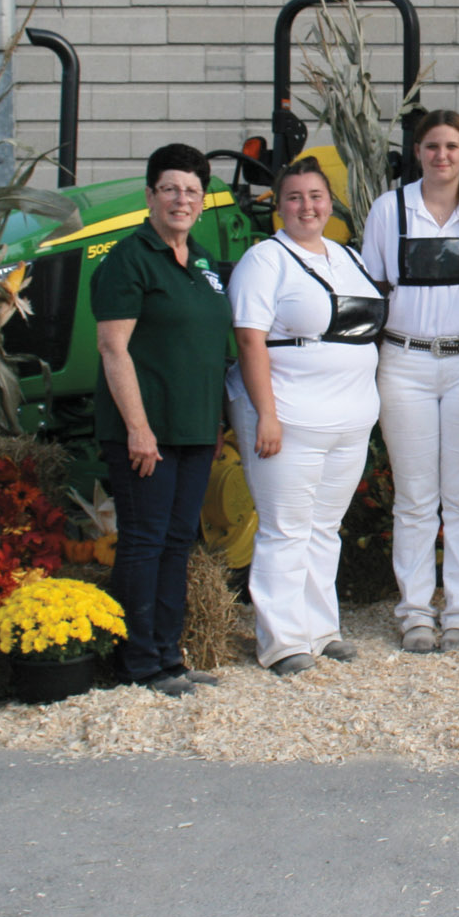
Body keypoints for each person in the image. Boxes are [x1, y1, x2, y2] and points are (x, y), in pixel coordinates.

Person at [228, 157, 384, 676]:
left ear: (329, 202)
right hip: (289, 418)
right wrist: (265, 414)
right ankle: (281, 641)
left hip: (350, 420)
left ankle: (322, 628)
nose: (307, 207)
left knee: (324, 527)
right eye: (294, 197)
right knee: (285, 529)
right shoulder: (265, 260)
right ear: (279, 205)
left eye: (315, 196)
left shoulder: (346, 256)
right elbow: (250, 339)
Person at [361, 112, 459, 655]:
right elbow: (376, 285)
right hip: (405, 365)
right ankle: (416, 611)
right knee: (416, 497)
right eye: (431, 146)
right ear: (417, 152)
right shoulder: (389, 209)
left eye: (451, 146)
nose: (441, 155)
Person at [92, 144, 234, 697]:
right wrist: (137, 426)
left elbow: (205, 347)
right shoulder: (128, 260)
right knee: (145, 540)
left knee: (178, 541)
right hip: (146, 432)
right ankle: (137, 662)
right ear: (150, 195)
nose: (182, 199)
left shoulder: (200, 261)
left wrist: (216, 421)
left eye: (192, 191)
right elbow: (113, 349)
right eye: (171, 188)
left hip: (195, 427)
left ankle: (169, 656)